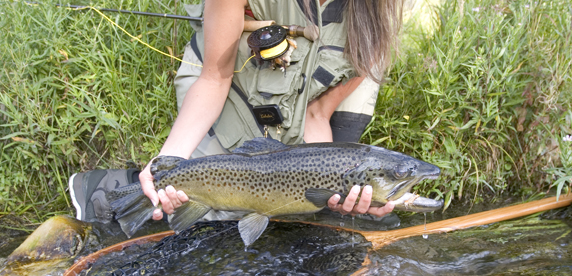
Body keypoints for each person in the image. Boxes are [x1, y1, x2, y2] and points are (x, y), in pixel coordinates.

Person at [70, 0, 404, 224]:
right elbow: (215, 78)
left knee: (301, 210)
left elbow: (318, 112)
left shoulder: (377, 15)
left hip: (298, 105)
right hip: (226, 84)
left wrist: (335, 194)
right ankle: (113, 187)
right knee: (206, 210)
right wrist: (166, 162)